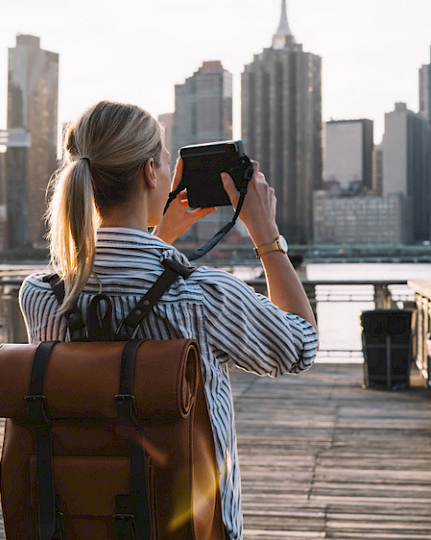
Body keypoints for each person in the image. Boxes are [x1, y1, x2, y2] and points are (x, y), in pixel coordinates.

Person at [19, 101, 318, 540]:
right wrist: (266, 235)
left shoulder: (43, 295)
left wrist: (159, 236)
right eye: (162, 158)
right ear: (150, 172)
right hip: (188, 525)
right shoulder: (204, 294)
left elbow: (108, 338)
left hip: (82, 518)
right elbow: (299, 346)